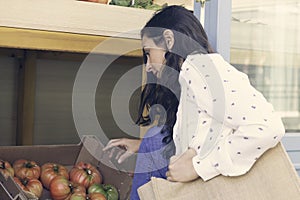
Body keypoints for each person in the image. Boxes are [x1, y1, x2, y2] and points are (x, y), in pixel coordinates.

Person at [103, 5, 285, 200]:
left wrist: (197, 166)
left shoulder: (201, 69)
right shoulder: (193, 73)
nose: (148, 65)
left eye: (149, 52)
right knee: (156, 135)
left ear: (169, 40)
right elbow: (208, 127)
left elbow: (268, 126)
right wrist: (144, 144)